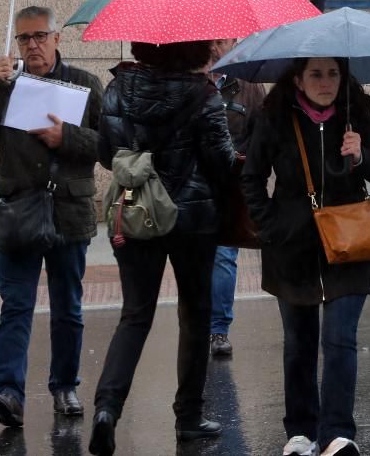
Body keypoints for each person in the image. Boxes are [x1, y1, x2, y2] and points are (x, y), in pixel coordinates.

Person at [241, 57, 370, 456]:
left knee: (340, 338)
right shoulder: (275, 116)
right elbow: (251, 178)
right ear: (298, 78)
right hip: (292, 248)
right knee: (299, 342)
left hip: (351, 245)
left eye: (333, 73)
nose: (326, 82)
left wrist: (361, 155)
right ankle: (301, 432)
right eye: (316, 74)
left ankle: (337, 435)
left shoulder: (358, 113)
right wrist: (271, 226)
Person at [88, 41, 236, 455]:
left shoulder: (118, 88)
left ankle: (107, 409)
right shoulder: (204, 94)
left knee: (134, 316)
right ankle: (189, 417)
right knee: (195, 314)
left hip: (135, 213)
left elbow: (105, 154)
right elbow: (220, 164)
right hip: (192, 220)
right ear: (195, 48)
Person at [0, 6, 103, 427]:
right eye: (24, 39)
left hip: (68, 212)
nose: (33, 45)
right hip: (18, 212)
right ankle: (9, 392)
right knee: (16, 306)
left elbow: (110, 145)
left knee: (68, 308)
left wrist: (69, 137)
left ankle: (65, 386)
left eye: (40, 36)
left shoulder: (85, 84)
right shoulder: (8, 85)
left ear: (58, 38)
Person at [208, 38, 267, 357]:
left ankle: (218, 329)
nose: (219, 45)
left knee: (224, 255)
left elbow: (262, 133)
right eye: (214, 39)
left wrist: (249, 169)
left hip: (232, 183)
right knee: (196, 257)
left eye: (225, 39)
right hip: (195, 184)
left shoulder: (248, 85)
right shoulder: (191, 81)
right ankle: (196, 323)